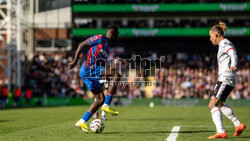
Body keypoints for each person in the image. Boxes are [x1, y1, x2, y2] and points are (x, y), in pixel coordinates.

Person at [67, 25, 120, 133]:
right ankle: (107, 105)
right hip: (88, 69)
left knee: (100, 98)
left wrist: (108, 81)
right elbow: (82, 44)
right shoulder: (100, 38)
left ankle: (82, 121)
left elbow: (101, 64)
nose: (118, 36)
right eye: (117, 34)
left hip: (92, 72)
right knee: (116, 75)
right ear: (112, 34)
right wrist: (74, 61)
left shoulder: (107, 47)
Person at [208, 21, 246, 139]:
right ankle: (238, 124)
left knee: (212, 104)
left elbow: (233, 53)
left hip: (225, 77)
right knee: (219, 104)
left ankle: (220, 131)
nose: (210, 39)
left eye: (211, 36)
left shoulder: (224, 42)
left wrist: (233, 64)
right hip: (228, 78)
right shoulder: (224, 44)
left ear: (216, 35)